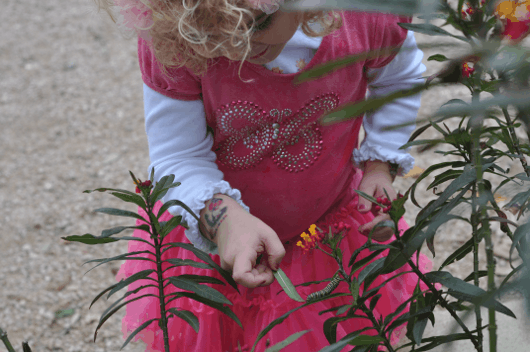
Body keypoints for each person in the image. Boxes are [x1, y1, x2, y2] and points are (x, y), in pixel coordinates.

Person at [103, 0, 433, 350]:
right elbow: (178, 154)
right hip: (216, 235)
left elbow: (399, 79)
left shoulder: (364, 18)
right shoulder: (177, 42)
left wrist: (379, 163)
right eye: (210, 31)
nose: (236, 45)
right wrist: (225, 220)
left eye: (257, 24)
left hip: (327, 228)